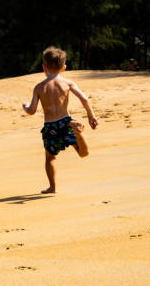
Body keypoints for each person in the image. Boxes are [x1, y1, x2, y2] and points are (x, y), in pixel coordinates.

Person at [22, 46, 99, 194]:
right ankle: (78, 133)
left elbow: (32, 111)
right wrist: (91, 116)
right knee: (83, 153)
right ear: (64, 68)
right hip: (66, 121)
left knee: (50, 158)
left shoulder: (39, 87)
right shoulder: (67, 83)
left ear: (44, 67)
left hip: (50, 126)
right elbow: (84, 99)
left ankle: (52, 187)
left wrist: (25, 107)